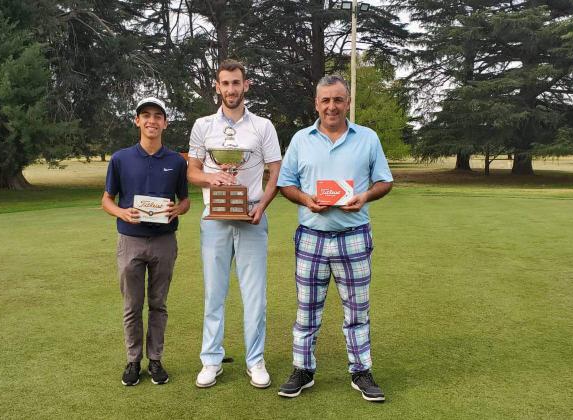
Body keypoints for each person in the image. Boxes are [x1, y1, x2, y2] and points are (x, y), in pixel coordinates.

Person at [275, 75, 393, 402]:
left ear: (348, 102)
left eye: (338, 100)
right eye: (325, 100)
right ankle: (303, 369)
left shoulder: (368, 138)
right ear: (316, 103)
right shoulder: (301, 139)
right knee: (306, 309)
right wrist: (306, 200)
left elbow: (385, 181)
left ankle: (361, 370)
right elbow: (286, 184)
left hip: (353, 235)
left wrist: (365, 196)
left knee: (357, 310)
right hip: (311, 236)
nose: (332, 106)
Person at [187, 59, 282, 389]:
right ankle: (211, 360)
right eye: (225, 83)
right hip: (214, 220)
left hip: (252, 217)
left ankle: (255, 360)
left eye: (236, 83)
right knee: (214, 293)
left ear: (246, 85)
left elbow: (276, 170)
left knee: (255, 296)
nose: (231, 89)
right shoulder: (203, 126)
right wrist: (213, 178)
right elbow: (192, 171)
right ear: (217, 86)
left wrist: (264, 205)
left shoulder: (263, 126)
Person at [101, 97, 190, 386]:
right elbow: (107, 200)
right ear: (137, 121)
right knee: (132, 305)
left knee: (158, 304)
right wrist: (122, 213)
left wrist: (179, 209)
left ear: (165, 122)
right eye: (146, 115)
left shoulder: (176, 161)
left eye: (157, 116)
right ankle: (132, 361)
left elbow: (185, 199)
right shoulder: (120, 158)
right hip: (131, 240)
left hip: (164, 241)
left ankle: (155, 360)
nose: (152, 121)